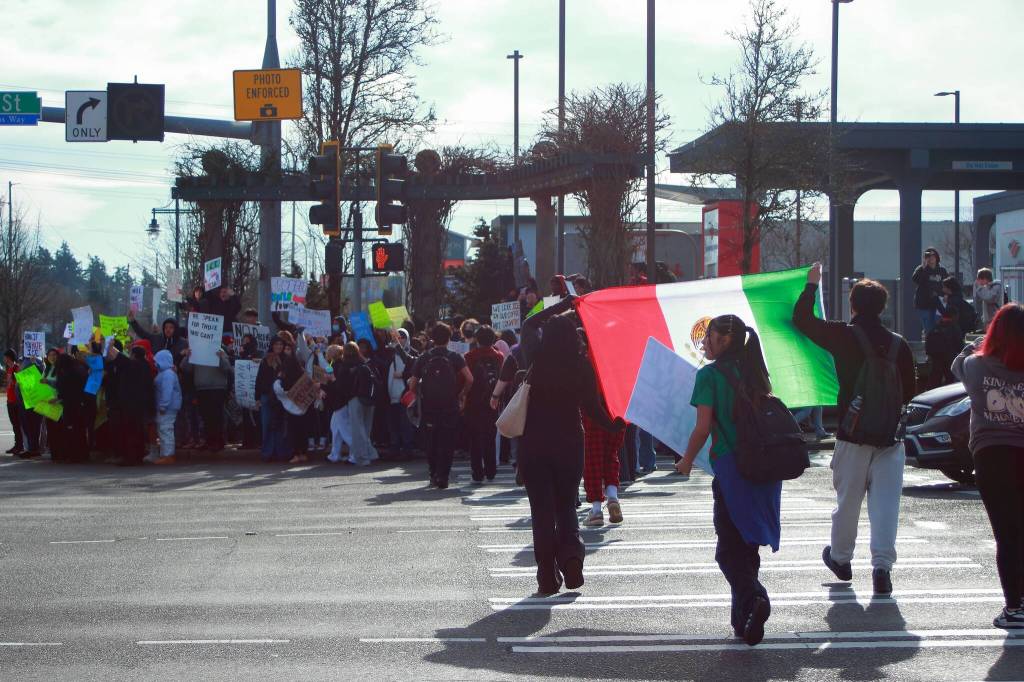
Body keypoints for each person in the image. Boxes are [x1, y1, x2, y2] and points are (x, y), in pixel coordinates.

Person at [793, 263, 916, 596]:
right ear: (883, 307)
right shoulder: (898, 344)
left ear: (853, 305)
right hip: (891, 438)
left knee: (848, 500)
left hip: (853, 432)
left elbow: (802, 321)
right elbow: (910, 389)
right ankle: (882, 568)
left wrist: (810, 285)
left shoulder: (844, 334)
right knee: (886, 504)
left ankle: (841, 558)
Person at [674, 314, 779, 647]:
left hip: (733, 467)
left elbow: (703, 427)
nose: (705, 342)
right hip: (765, 466)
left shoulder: (709, 376)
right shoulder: (755, 370)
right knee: (747, 545)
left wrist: (686, 460)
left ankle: (755, 597)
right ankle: (742, 620)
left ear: (724, 341)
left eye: (710, 337)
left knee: (727, 551)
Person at [518, 309, 622, 596]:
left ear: (546, 336)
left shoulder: (536, 359)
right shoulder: (581, 365)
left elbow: (529, 323)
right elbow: (592, 408)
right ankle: (571, 556)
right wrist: (614, 424)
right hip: (569, 442)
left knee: (541, 510)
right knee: (565, 506)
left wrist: (563, 304)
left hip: (534, 442)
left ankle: (546, 573)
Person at [952, 303, 1024, 629]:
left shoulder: (977, 367)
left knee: (1006, 534)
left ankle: (1014, 607)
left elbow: (957, 364)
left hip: (991, 454)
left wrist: (976, 344)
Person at [409, 323, 474, 489]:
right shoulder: (455, 357)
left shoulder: (423, 357)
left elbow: (412, 384)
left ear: (432, 338)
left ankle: (433, 473)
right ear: (448, 338)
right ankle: (443, 476)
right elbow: (470, 379)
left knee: (431, 440)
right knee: (448, 441)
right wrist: (461, 394)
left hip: (429, 405)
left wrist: (420, 394)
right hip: (450, 404)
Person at [105, 340, 156, 466]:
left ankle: (131, 457)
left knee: (131, 431)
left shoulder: (134, 365)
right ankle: (137, 456)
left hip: (131, 405)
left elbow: (118, 357)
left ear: (133, 355)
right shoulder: (145, 365)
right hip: (140, 404)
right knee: (137, 431)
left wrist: (110, 346)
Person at [464, 326, 503, 483]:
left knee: (474, 438)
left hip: (474, 401)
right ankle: (491, 469)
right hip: (493, 400)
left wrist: (462, 395)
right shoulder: (499, 356)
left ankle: (477, 472)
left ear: (477, 339)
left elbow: (464, 379)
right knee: (490, 436)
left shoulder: (469, 356)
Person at [180, 344, 234, 453]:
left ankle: (218, 442)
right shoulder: (197, 351)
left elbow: (227, 368)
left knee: (217, 417)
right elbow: (185, 368)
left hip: (218, 389)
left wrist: (221, 357)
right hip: (202, 389)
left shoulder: (220, 350)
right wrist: (188, 356)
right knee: (206, 417)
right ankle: (209, 441)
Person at [273, 354, 314, 465]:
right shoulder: (303, 375)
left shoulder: (284, 378)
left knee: (293, 431)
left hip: (291, 408)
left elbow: (278, 390)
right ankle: (303, 454)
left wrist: (278, 378)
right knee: (303, 430)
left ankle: (296, 454)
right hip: (303, 407)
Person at [255, 337, 289, 463]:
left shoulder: (286, 359)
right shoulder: (266, 360)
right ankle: (267, 453)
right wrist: (257, 397)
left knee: (281, 425)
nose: (279, 347)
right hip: (267, 396)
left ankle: (281, 453)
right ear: (272, 346)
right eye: (276, 344)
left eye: (281, 344)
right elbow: (259, 379)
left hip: (281, 397)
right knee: (267, 424)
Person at [348, 342, 381, 466]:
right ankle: (371, 453)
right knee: (365, 429)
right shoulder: (369, 363)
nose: (361, 349)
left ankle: (363, 457)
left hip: (358, 398)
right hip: (369, 399)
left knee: (360, 429)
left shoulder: (354, 364)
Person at [386, 329, 418, 458]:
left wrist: (403, 375)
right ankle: (395, 448)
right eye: (398, 337)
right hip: (392, 393)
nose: (400, 340)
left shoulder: (413, 353)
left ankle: (407, 448)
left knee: (406, 422)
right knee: (393, 423)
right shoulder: (389, 352)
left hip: (406, 393)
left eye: (402, 337)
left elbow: (415, 370)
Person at [325, 344, 355, 464]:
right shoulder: (334, 365)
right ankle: (334, 454)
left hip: (340, 402)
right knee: (335, 428)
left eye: (328, 352)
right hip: (339, 402)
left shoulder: (339, 366)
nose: (326, 354)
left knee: (344, 430)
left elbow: (339, 387)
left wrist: (329, 382)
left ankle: (355, 454)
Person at [925, 306, 964, 390]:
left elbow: (928, 343)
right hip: (948, 358)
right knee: (949, 382)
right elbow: (960, 346)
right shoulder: (954, 327)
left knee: (934, 379)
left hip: (935, 358)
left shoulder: (935, 327)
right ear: (954, 316)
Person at [911, 247, 948, 338]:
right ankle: (930, 347)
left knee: (938, 326)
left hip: (938, 303)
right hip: (924, 304)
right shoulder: (921, 269)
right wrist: (923, 268)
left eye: (933, 255)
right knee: (929, 328)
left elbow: (948, 284)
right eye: (928, 256)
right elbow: (916, 280)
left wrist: (946, 294)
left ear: (937, 257)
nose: (931, 258)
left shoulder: (942, 271)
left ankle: (936, 345)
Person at [153, 349, 182, 465]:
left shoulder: (167, 374)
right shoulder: (166, 373)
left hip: (167, 407)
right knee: (164, 430)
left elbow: (167, 391)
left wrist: (163, 406)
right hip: (167, 407)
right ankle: (165, 454)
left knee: (166, 430)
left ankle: (168, 455)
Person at [3, 349, 23, 455]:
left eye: (5, 356)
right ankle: (17, 445)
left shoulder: (16, 367)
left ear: (10, 357)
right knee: (14, 424)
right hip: (10, 400)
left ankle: (20, 446)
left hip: (16, 401)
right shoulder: (9, 369)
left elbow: (20, 383)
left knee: (17, 424)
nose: (4, 358)